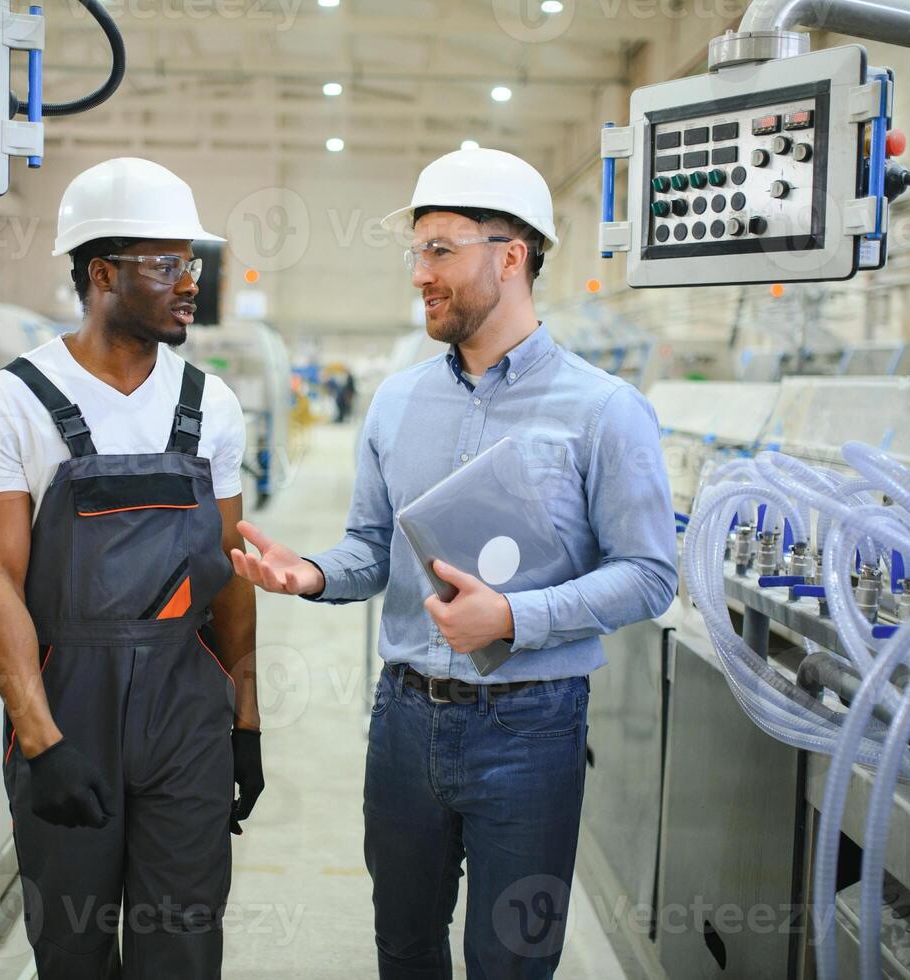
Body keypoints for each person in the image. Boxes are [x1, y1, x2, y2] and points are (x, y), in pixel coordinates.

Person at [229, 147, 677, 978]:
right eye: (417, 252)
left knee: (509, 960)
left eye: (439, 250)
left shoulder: (605, 412)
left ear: (510, 256)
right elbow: (370, 549)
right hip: (403, 722)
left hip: (530, 727)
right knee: (403, 947)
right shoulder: (398, 401)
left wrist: (513, 618)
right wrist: (315, 574)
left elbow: (649, 573)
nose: (419, 274)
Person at [0, 157, 262, 979]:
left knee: (183, 947)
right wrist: (39, 736)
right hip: (66, 711)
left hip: (184, 715)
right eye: (166, 264)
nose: (189, 282)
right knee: (73, 951)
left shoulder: (211, 405)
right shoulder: (13, 402)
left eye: (190, 263)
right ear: (100, 273)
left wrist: (246, 718)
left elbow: (227, 573)